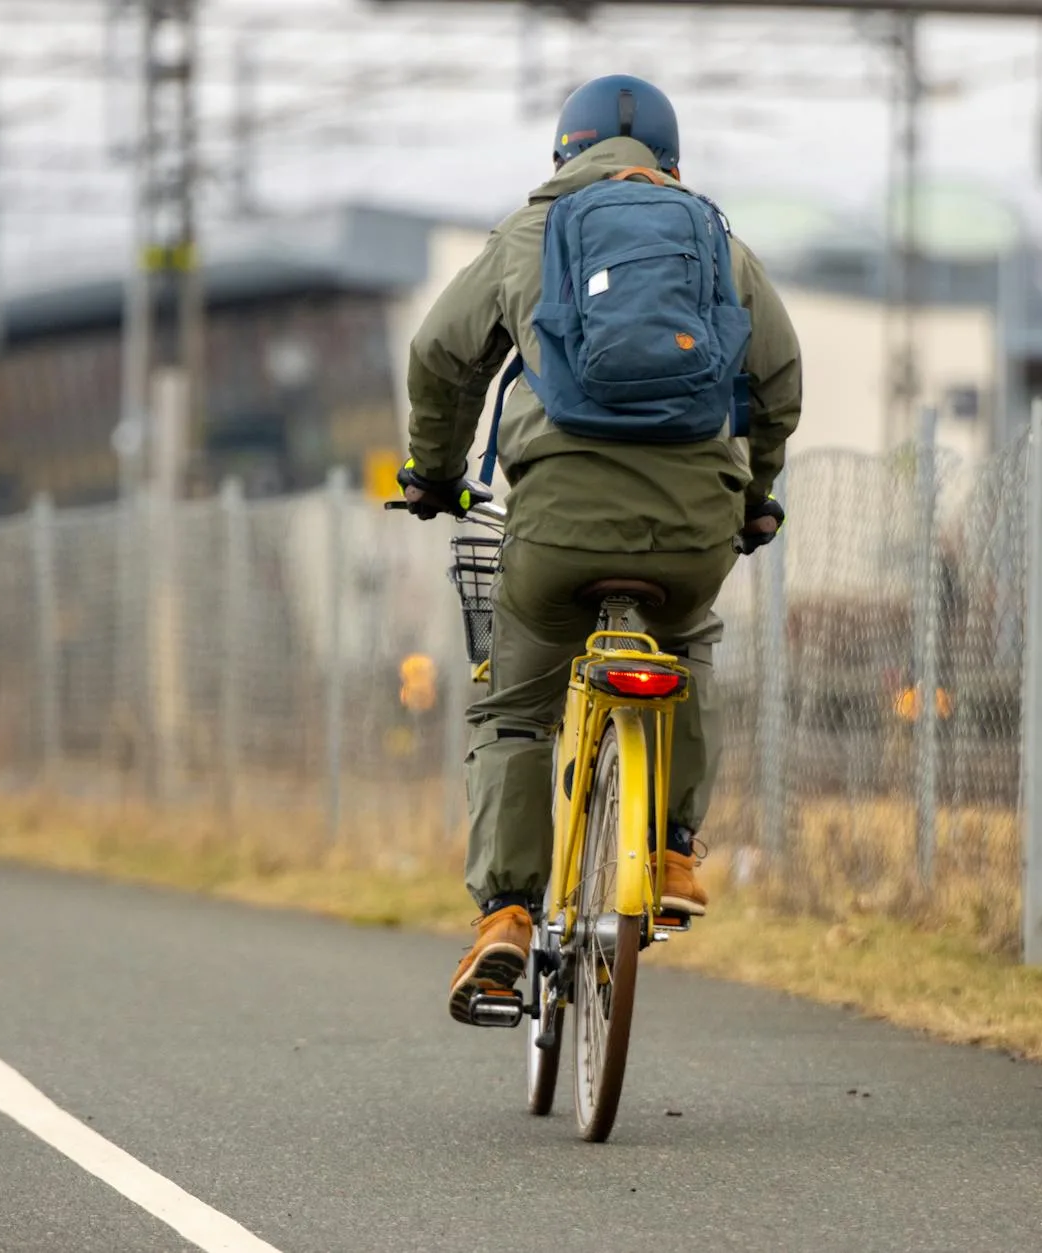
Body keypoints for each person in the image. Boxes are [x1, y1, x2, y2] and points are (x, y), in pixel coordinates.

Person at [396, 74, 803, 1023]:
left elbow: (438, 355)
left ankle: (503, 916)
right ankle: (668, 850)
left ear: (560, 155)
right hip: (693, 523)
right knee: (689, 640)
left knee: (513, 708)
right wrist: (758, 494)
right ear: (670, 163)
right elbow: (777, 375)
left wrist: (432, 469)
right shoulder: (715, 243)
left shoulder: (525, 236)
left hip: (558, 523)